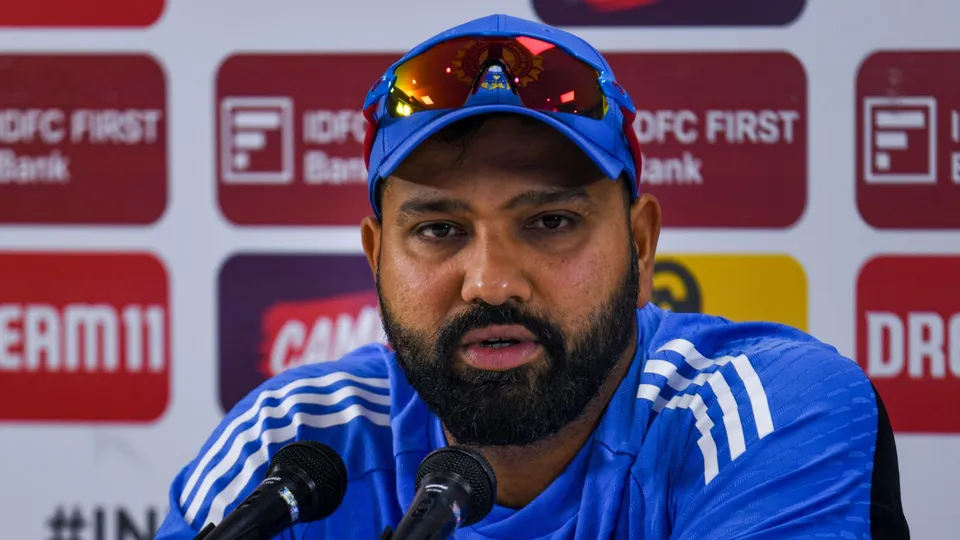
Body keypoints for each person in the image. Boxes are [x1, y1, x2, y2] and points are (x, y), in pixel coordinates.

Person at [155, 13, 910, 539]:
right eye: (440, 231)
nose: (490, 283)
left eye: (549, 222)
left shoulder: (764, 413)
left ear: (642, 249)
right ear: (376, 257)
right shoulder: (291, 446)